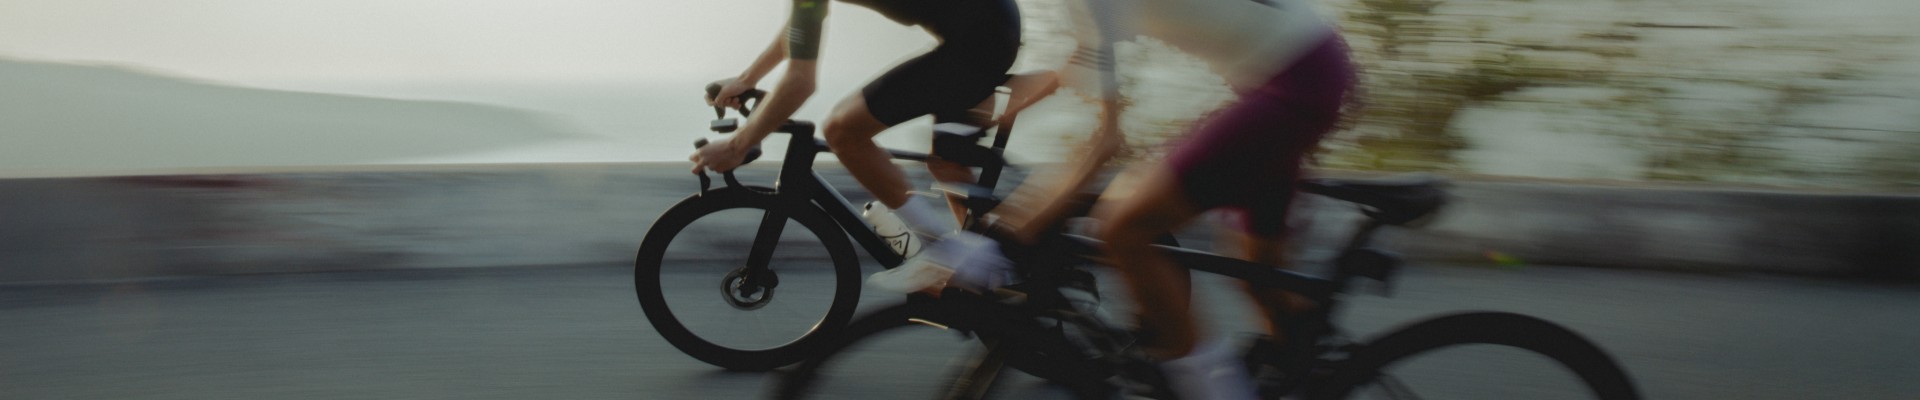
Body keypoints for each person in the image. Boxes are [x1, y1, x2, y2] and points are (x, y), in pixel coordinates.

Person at [979, 0, 1359, 398]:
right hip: (1307, 73)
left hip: (1292, 87)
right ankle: (1314, 370)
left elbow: (1106, 140)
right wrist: (991, 111)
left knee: (1125, 229)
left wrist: (1010, 231)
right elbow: (1084, 60)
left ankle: (1217, 391)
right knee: (1260, 278)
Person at [691, 0, 1024, 258]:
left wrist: (736, 146)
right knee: (948, 165)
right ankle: (1001, 270)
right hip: (987, 30)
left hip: (977, 40)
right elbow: (801, 27)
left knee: (843, 130)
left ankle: (948, 256)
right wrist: (748, 79)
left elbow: (800, 82)